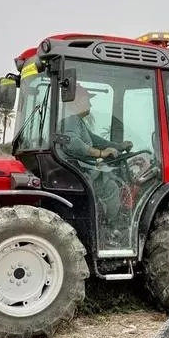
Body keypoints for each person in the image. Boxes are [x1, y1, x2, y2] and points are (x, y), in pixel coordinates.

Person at [57, 84, 133, 241]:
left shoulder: (75, 120)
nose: (90, 104)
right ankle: (112, 228)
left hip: (82, 171)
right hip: (83, 174)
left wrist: (118, 146)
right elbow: (72, 142)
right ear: (77, 101)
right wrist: (100, 153)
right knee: (112, 187)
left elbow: (95, 140)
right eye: (87, 100)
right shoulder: (71, 119)